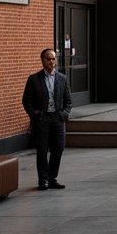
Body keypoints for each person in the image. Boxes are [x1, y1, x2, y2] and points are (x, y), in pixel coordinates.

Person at [22, 48, 72, 190]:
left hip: (57, 119)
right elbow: (26, 101)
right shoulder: (34, 79)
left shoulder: (62, 78)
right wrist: (35, 116)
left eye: (53, 59)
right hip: (42, 120)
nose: (51, 62)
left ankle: (52, 178)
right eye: (48, 59)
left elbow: (68, 101)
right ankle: (42, 180)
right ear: (42, 60)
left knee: (58, 149)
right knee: (42, 151)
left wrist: (63, 114)